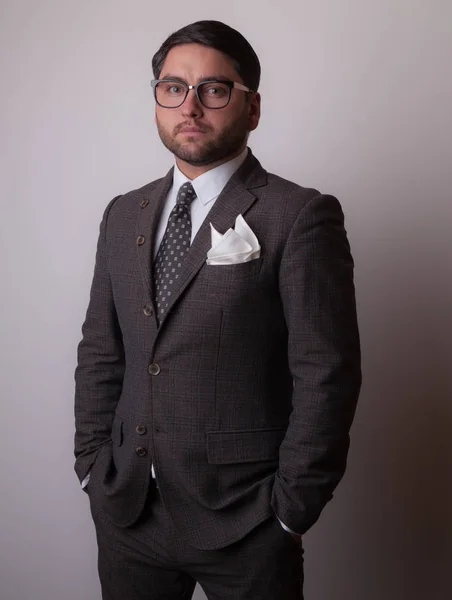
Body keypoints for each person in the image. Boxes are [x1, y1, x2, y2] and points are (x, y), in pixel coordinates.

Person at [74, 19, 361, 600]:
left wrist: (290, 508)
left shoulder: (298, 215)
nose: (191, 106)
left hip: (246, 518)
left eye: (214, 89)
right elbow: (103, 350)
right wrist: (91, 464)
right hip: (129, 511)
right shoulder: (123, 214)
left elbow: (326, 372)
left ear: (251, 108)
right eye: (173, 87)